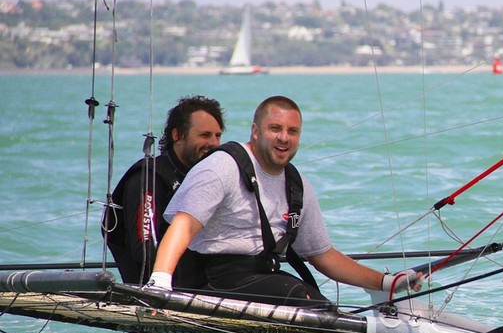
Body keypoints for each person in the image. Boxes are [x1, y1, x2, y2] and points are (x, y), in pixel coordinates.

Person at [146, 95, 422, 306]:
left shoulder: (296, 184)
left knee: (322, 308)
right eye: (275, 128)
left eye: (293, 131)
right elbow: (183, 226)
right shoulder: (221, 167)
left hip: (262, 277)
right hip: (211, 281)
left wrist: (385, 282)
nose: (283, 138)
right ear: (255, 131)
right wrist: (160, 282)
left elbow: (322, 255)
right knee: (308, 305)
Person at [102, 95, 225, 284]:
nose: (214, 143)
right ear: (177, 136)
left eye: (218, 136)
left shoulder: (205, 177)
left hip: (209, 284)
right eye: (204, 135)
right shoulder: (148, 178)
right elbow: (145, 249)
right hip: (162, 291)